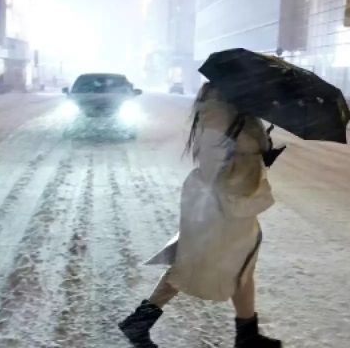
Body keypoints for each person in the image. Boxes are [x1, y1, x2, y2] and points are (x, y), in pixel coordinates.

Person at [119, 83, 282, 348]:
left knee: (241, 266)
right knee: (193, 266)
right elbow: (211, 166)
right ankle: (138, 324)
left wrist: (259, 155)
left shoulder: (236, 114)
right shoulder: (220, 117)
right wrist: (248, 155)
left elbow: (235, 154)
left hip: (234, 204)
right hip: (221, 207)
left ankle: (247, 334)